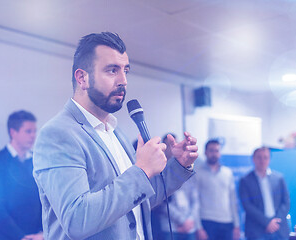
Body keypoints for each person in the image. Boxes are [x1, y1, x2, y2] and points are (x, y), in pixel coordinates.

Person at [32, 32, 199, 240]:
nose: (123, 81)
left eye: (125, 71)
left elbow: (138, 196)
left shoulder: (115, 132)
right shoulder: (58, 134)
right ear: (82, 78)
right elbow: (77, 219)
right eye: (112, 71)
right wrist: (142, 170)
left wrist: (180, 166)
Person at [0, 110, 43, 240]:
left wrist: (42, 232)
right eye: (28, 131)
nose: (33, 136)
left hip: (36, 236)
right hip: (4, 236)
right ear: (13, 132)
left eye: (34, 131)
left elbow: (44, 199)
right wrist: (20, 236)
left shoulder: (37, 161)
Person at [152, 134, 198, 240]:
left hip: (189, 225)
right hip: (169, 227)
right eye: (168, 145)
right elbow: (159, 202)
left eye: (175, 144)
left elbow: (195, 199)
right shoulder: (157, 169)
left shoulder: (187, 167)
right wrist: (182, 220)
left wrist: (190, 220)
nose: (173, 148)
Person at [239, 147, 290, 240]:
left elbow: (286, 202)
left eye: (265, 157)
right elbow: (247, 205)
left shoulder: (279, 178)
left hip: (279, 229)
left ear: (269, 159)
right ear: (253, 159)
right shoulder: (245, 180)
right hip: (256, 231)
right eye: (259, 157)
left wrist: (275, 221)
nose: (262, 160)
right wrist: (267, 222)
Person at [195, 139, 240, 240]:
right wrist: (198, 227)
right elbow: (195, 201)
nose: (214, 154)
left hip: (227, 222)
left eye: (217, 151)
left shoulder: (227, 173)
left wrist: (236, 225)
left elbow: (233, 200)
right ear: (205, 152)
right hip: (207, 221)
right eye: (211, 150)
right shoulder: (198, 173)